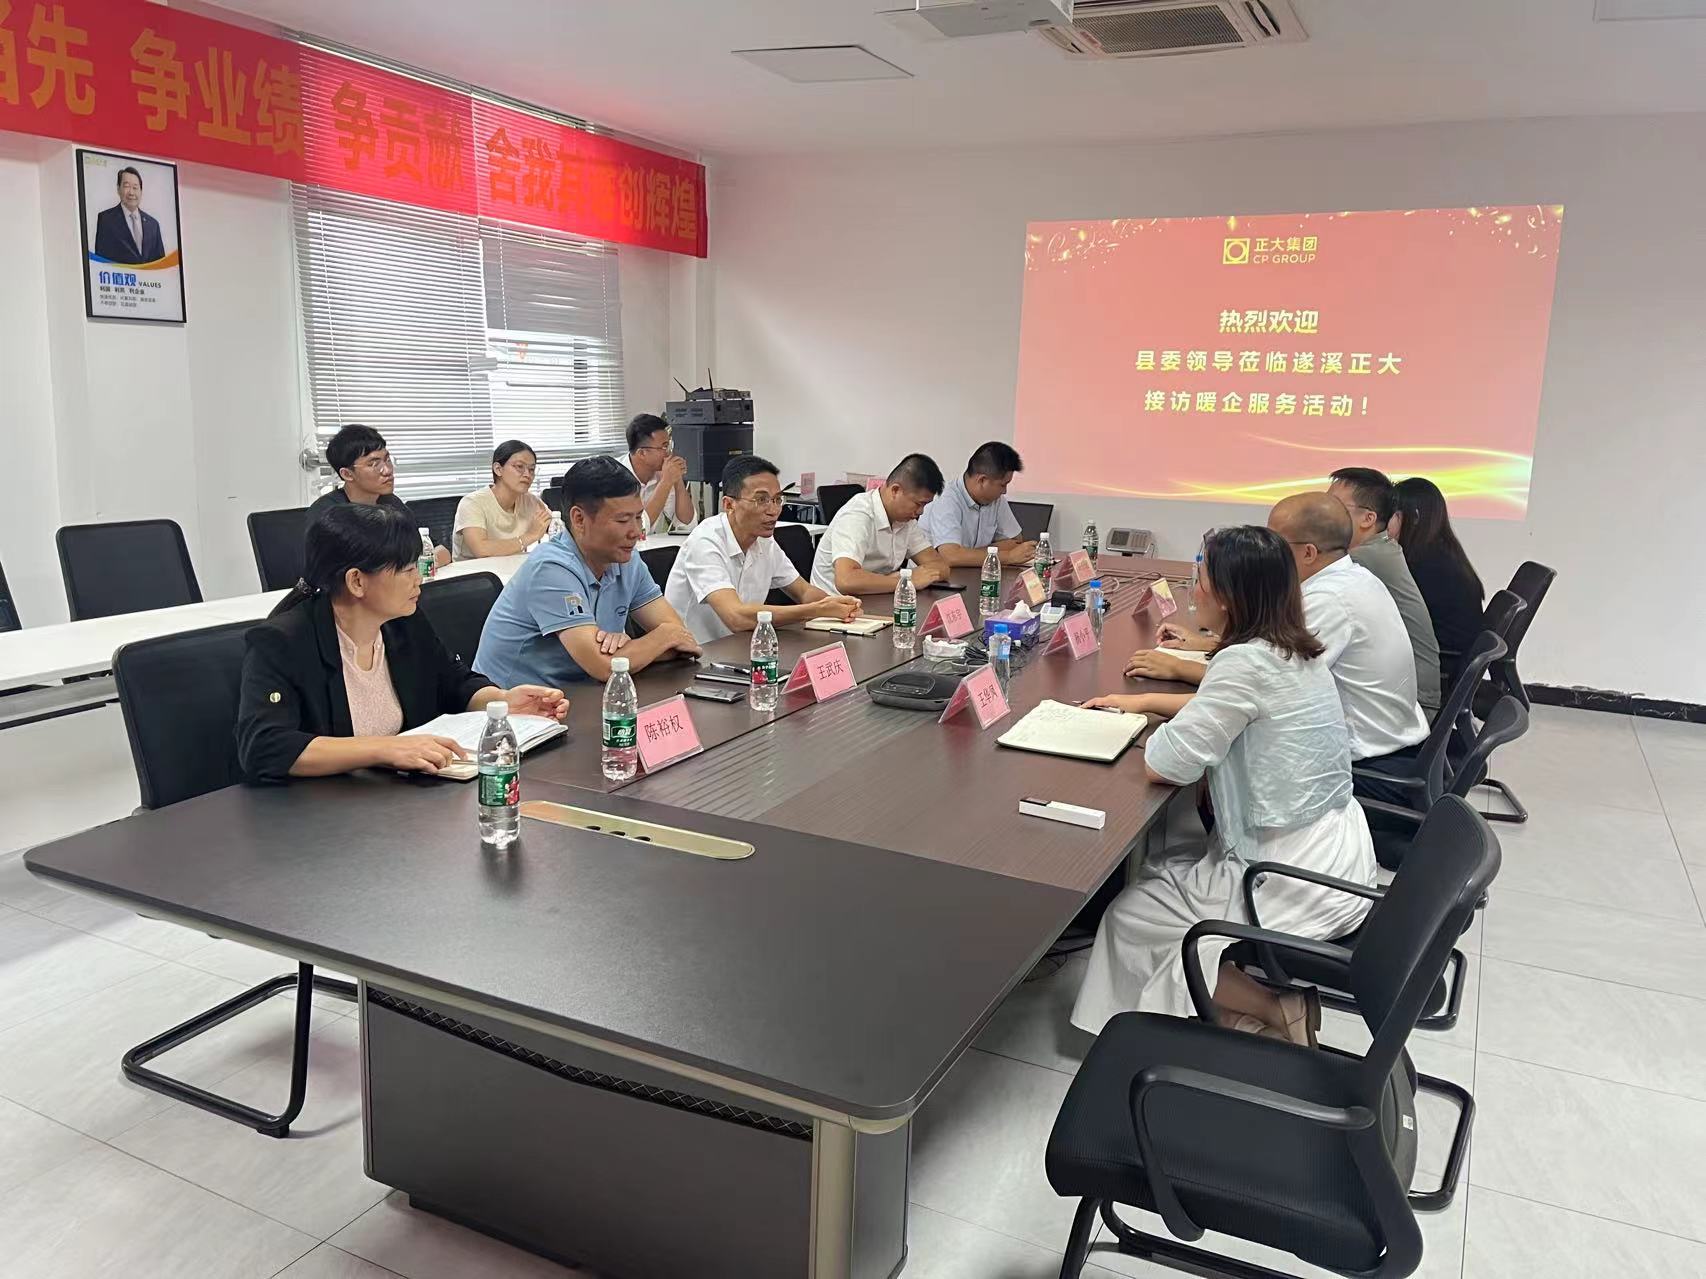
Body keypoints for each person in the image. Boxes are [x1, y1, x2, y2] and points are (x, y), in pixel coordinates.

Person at [1070, 525, 1376, 1039]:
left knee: (1134, 917)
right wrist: (1147, 706)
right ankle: (1229, 1020)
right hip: (1337, 852)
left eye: (1202, 580)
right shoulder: (1292, 648)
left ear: (1229, 596)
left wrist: (1147, 724)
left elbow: (1167, 764)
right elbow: (1230, 713)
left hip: (1286, 875)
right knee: (1169, 862)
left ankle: (1278, 1010)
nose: (1196, 591)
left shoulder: (1243, 662)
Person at [236, 503, 567, 783]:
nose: (418, 579)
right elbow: (265, 746)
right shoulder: (282, 642)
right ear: (356, 581)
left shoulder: (402, 621)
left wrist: (501, 702)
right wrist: (384, 748)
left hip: (396, 798)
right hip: (319, 812)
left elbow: (453, 681)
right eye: (407, 570)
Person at [475, 456, 701, 686]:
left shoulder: (626, 560)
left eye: (637, 518)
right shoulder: (552, 568)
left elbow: (683, 641)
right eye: (623, 520)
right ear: (579, 519)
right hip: (513, 702)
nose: (635, 532)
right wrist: (659, 639)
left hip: (580, 692)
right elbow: (604, 666)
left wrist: (633, 649)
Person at [1268, 493, 1429, 788]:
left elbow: (1267, 684)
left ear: (1308, 553)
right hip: (1395, 742)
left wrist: (1182, 672)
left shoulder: (1329, 599)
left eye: (1273, 543)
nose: (1266, 553)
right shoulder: (1356, 578)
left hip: (1371, 765)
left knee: (1242, 754)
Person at [665, 455, 863, 643]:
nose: (773, 510)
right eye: (761, 500)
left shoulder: (764, 541)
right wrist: (816, 610)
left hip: (742, 645)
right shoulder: (705, 541)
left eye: (777, 499)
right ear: (729, 504)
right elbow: (736, 617)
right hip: (696, 654)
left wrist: (842, 607)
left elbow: (804, 592)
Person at [1328, 467, 1441, 713]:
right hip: (1406, 690)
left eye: (1334, 506)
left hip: (1413, 703)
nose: (1323, 513)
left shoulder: (1362, 560)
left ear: (1368, 518)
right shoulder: (1381, 549)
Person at [307, 424, 449, 567]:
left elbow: (441, 551)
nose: (387, 470)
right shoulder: (328, 514)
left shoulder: (391, 503)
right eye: (374, 464)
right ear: (347, 474)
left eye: (387, 460)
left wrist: (417, 567)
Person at [810, 454, 954, 595]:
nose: (921, 511)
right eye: (918, 504)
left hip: (876, 599)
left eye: (925, 505)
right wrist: (906, 580)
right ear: (895, 490)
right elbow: (846, 581)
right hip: (833, 604)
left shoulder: (905, 520)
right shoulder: (858, 515)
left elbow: (941, 567)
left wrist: (901, 578)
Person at [1392, 477, 1486, 689]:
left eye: (1393, 515)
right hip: (1454, 658)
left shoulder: (1425, 564)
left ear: (1414, 517)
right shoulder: (1440, 551)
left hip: (1442, 664)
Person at [918, 441, 1038, 568]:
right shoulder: (947, 500)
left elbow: (1015, 541)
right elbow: (951, 556)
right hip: (934, 576)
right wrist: (1008, 556)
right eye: (1003, 485)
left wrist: (969, 554)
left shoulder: (996, 499)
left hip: (976, 572)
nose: (1005, 491)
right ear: (982, 480)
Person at [453, 440, 552, 560]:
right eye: (519, 467)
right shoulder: (472, 503)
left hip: (512, 568)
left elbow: (558, 529)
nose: (527, 474)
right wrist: (531, 535)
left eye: (531, 469)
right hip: (475, 571)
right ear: (498, 469)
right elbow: (481, 549)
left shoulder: (531, 501)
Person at [619, 414, 699, 537]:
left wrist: (677, 480)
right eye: (664, 447)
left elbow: (687, 525)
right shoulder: (615, 476)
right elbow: (638, 530)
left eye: (669, 446)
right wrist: (666, 482)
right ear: (642, 453)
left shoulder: (661, 473)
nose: (669, 453)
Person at [93, 166, 166, 265]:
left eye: (135, 188)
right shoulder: (106, 219)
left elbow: (161, 264)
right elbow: (101, 261)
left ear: (141, 191)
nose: (131, 192)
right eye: (126, 186)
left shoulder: (153, 225)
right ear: (118, 189)